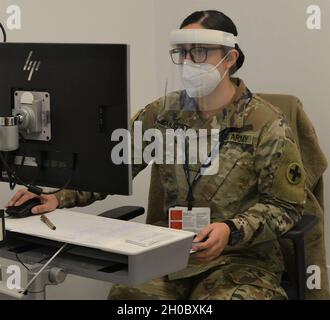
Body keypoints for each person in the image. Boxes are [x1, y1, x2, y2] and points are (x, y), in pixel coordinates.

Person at [6, 10, 306, 300]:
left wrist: (232, 230)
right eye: (182, 52)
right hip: (170, 251)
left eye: (200, 52)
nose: (189, 62)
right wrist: (58, 197)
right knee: (127, 295)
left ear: (230, 58)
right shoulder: (163, 115)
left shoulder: (266, 123)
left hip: (240, 259)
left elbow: (286, 207)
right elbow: (112, 167)